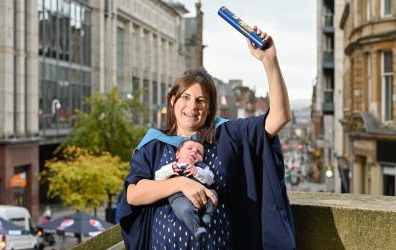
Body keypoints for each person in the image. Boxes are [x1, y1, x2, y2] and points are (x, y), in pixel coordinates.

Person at [119, 26, 295, 250]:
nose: (192, 106)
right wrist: (181, 183)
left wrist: (270, 61)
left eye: (201, 100)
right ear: (173, 100)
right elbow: (133, 194)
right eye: (185, 97)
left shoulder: (228, 135)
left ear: (210, 107)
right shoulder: (154, 144)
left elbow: (280, 117)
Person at [154, 139, 217, 240]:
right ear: (177, 155)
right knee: (185, 210)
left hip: (202, 196)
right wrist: (170, 170)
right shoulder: (172, 167)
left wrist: (197, 172)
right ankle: (196, 229)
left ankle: (207, 215)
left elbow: (210, 179)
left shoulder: (201, 167)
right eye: (189, 148)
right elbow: (158, 178)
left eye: (199, 152)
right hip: (180, 197)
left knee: (213, 194)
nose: (194, 151)